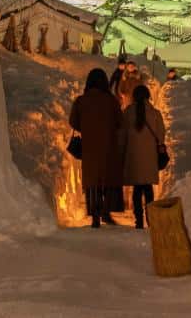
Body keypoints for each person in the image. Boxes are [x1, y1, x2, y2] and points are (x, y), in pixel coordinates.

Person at [69, 68, 124, 228]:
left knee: (92, 181)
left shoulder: (81, 101)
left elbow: (73, 122)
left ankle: (94, 216)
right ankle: (106, 212)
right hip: (109, 146)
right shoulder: (111, 100)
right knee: (106, 179)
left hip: (89, 147)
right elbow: (120, 121)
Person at [120, 84, 166, 229]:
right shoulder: (155, 113)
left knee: (137, 189)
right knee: (148, 189)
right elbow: (161, 135)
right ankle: (150, 219)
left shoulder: (128, 112)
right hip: (149, 157)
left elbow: (122, 134)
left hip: (133, 156)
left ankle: (138, 220)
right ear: (148, 96)